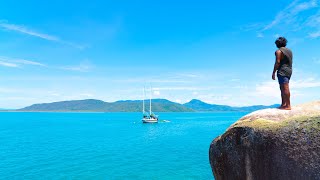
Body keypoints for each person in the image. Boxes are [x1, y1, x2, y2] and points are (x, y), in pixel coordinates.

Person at [272, 37, 293, 110]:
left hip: (282, 70)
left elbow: (277, 62)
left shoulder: (278, 51)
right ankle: (283, 104)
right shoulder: (289, 51)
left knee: (285, 87)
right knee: (282, 87)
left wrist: (274, 72)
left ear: (278, 43)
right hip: (289, 70)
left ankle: (288, 105)